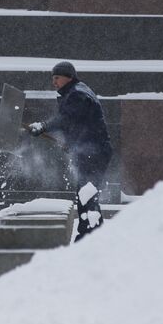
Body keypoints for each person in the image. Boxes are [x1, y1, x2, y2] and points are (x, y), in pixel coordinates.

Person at [26, 61, 113, 241]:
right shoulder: (78, 92)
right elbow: (78, 124)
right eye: (53, 78)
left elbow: (66, 119)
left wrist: (43, 126)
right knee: (87, 193)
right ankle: (93, 234)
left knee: (86, 193)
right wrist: (72, 144)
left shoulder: (77, 94)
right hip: (93, 150)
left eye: (57, 78)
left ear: (69, 77)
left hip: (93, 152)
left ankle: (88, 235)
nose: (54, 82)